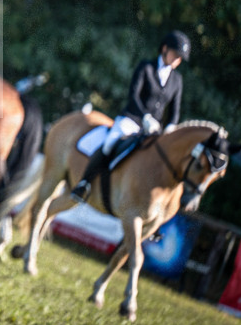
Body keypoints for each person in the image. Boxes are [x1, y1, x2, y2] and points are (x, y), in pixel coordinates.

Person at [71, 30, 190, 202]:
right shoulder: (146, 67)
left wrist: (171, 126)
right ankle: (84, 183)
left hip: (155, 129)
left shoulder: (177, 80)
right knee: (110, 143)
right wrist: (145, 117)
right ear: (165, 49)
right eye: (176, 55)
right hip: (132, 120)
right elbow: (133, 96)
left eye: (181, 58)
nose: (178, 60)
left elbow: (175, 110)